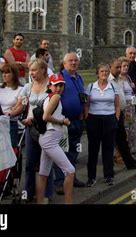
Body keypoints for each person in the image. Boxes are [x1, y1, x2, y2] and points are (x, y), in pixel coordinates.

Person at [36, 73, 74, 204]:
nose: (59, 88)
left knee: (43, 172)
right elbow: (45, 117)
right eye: (56, 85)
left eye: (61, 85)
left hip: (47, 137)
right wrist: (62, 121)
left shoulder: (48, 97)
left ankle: (40, 201)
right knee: (70, 171)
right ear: (50, 86)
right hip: (50, 139)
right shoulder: (56, 97)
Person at [20, 59, 54, 203]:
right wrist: (9, 113)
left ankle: (46, 194)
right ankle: (29, 192)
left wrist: (33, 119)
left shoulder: (51, 86)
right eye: (30, 70)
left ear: (43, 70)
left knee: (45, 162)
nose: (31, 73)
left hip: (47, 128)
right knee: (29, 163)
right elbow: (21, 104)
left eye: (34, 70)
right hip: (30, 129)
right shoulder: (28, 87)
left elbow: (50, 108)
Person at [53, 52, 86, 192]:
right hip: (63, 121)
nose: (73, 63)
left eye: (75, 61)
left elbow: (82, 96)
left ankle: (71, 176)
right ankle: (60, 181)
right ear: (64, 63)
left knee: (74, 150)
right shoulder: (58, 77)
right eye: (70, 61)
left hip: (77, 120)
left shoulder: (79, 78)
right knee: (61, 151)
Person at [84, 64, 120, 187]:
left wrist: (116, 118)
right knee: (93, 150)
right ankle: (91, 177)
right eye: (101, 71)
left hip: (110, 119)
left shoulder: (113, 86)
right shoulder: (90, 87)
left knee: (108, 149)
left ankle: (109, 176)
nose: (104, 73)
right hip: (94, 119)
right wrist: (87, 118)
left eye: (106, 71)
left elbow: (117, 105)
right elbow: (87, 105)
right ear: (97, 73)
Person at [108, 59, 136, 170]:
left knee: (122, 138)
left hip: (122, 111)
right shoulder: (109, 80)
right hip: (112, 113)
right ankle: (112, 164)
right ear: (111, 66)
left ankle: (129, 162)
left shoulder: (120, 79)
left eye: (121, 67)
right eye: (117, 67)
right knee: (112, 139)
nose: (119, 69)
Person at [0, 64, 23, 148]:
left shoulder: (20, 89)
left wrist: (9, 114)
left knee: (11, 148)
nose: (4, 75)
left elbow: (20, 107)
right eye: (2, 72)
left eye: (7, 72)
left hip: (10, 123)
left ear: (14, 74)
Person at [118, 57, 136, 154]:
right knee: (125, 128)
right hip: (124, 106)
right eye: (123, 66)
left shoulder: (128, 77)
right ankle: (124, 151)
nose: (125, 68)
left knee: (132, 127)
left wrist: (132, 86)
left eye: (127, 66)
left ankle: (130, 148)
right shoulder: (118, 79)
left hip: (131, 105)